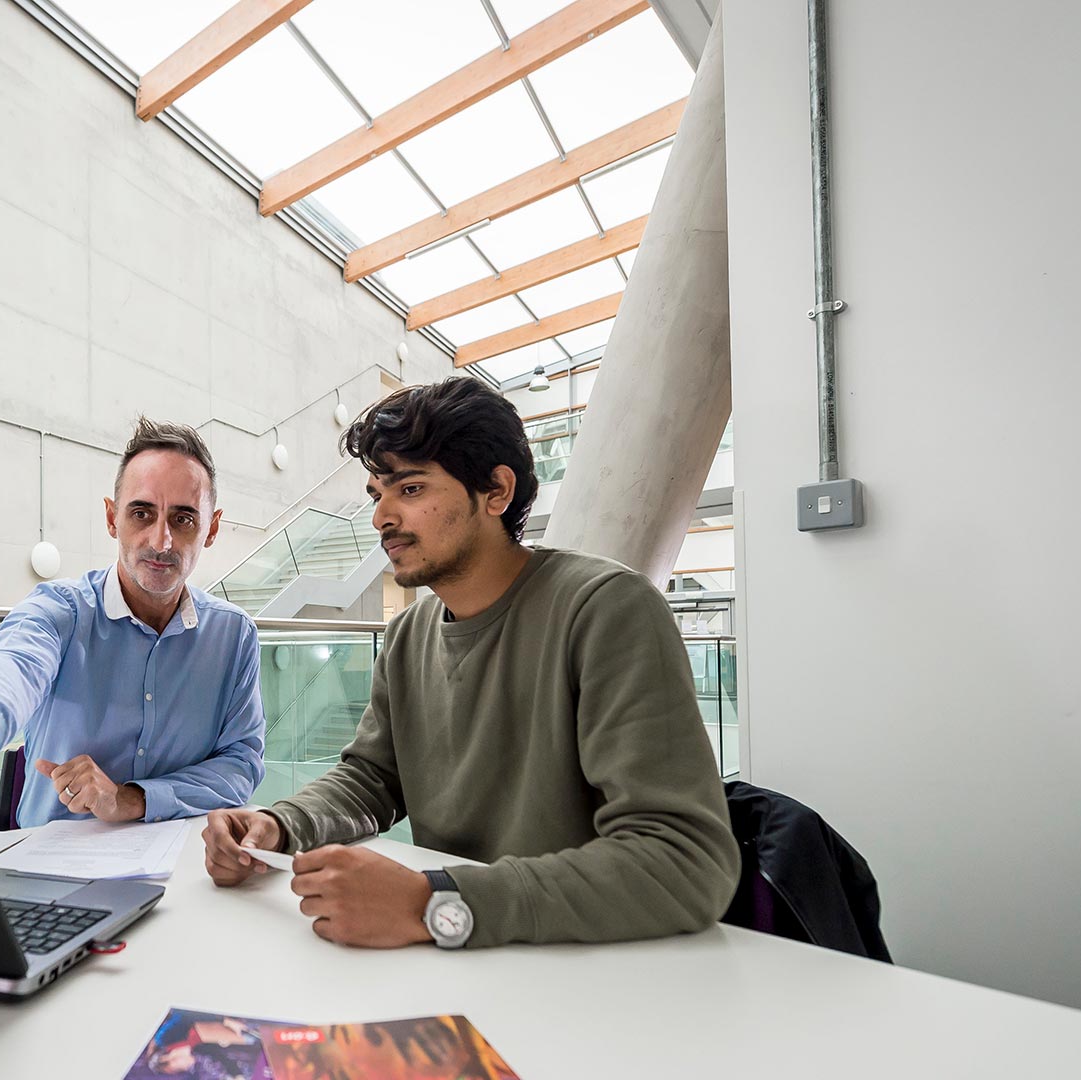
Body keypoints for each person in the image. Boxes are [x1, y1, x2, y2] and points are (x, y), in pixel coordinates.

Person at [201, 378, 739, 949]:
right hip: (460, 960)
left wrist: (432, 900)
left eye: (409, 488)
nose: (381, 517)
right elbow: (372, 781)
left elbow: (683, 860)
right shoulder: (409, 634)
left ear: (496, 491)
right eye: (376, 494)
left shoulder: (606, 609)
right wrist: (281, 825)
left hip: (589, 971)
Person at [0, 417, 264, 832]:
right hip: (51, 872)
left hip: (185, 867)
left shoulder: (233, 636)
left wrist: (131, 798)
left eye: (183, 519)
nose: (161, 542)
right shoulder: (60, 611)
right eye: (142, 513)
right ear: (111, 518)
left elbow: (241, 764)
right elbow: (13, 664)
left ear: (210, 529)